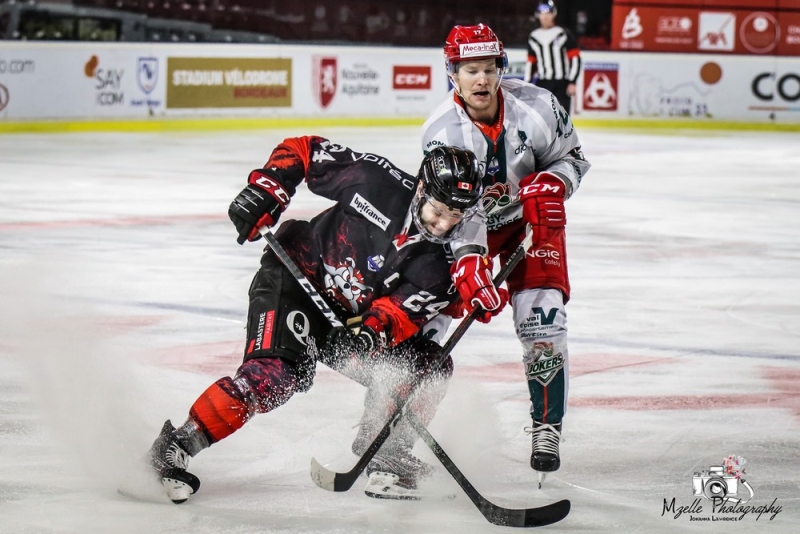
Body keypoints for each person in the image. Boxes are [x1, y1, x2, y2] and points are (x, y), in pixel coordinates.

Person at [146, 136, 508, 503]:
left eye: (455, 215)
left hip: (347, 326)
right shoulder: (373, 181)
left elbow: (397, 313)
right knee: (273, 375)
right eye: (438, 209)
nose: (442, 224)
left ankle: (385, 450)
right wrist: (269, 187)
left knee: (428, 366)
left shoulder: (443, 267)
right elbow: (303, 151)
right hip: (295, 283)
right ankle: (176, 445)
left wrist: (369, 335)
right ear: (421, 190)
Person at [421, 23, 591, 485]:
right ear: (452, 74)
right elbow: (454, 210)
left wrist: (553, 184)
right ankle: (392, 429)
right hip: (468, 225)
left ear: (501, 68)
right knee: (427, 321)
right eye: (470, 70)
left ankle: (546, 427)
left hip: (530, 224)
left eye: (488, 68)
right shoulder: (441, 131)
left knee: (543, 321)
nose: (481, 79)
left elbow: (573, 159)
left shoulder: (539, 106)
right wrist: (469, 259)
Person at [525, 0, 582, 115]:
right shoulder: (534, 36)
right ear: (538, 15)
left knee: (562, 118)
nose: (545, 16)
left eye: (548, 13)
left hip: (561, 84)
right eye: (542, 13)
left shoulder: (562, 33)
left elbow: (575, 58)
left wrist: (572, 81)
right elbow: (531, 63)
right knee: (543, 118)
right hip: (543, 83)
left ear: (554, 14)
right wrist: (527, 84)